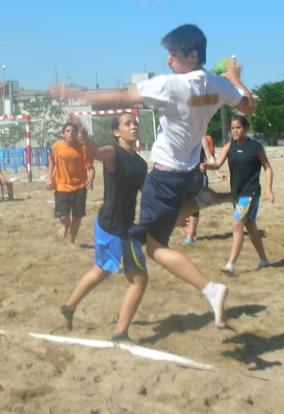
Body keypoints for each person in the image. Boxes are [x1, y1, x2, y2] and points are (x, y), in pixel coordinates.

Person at [53, 24, 256, 328]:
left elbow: (122, 97)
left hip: (164, 176)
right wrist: (236, 78)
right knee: (164, 224)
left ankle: (211, 290)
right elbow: (249, 107)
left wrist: (73, 93)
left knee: (155, 248)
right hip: (188, 174)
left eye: (174, 55)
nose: (169, 61)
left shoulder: (172, 86)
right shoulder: (219, 85)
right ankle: (200, 200)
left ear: (193, 55)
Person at [59, 113, 149, 343]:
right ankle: (120, 333)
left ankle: (69, 307)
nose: (133, 126)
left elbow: (149, 193)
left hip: (119, 225)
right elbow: (97, 154)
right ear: (117, 132)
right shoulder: (113, 152)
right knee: (139, 279)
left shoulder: (140, 163)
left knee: (102, 270)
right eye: (127, 124)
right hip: (114, 227)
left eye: (135, 123)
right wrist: (85, 134)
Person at [203, 115, 274, 274]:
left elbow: (267, 167)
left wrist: (269, 188)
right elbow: (217, 163)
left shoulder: (256, 147)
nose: (235, 131)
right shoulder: (229, 146)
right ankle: (263, 259)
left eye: (238, 127)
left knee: (237, 224)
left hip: (251, 192)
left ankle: (231, 264)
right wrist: (207, 166)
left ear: (246, 128)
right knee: (250, 226)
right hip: (236, 193)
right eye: (233, 128)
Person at [46, 122, 95, 248]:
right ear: (63, 134)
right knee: (64, 217)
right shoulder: (57, 147)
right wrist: (49, 178)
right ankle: (65, 225)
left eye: (73, 130)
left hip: (79, 187)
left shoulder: (83, 148)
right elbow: (52, 162)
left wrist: (90, 180)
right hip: (61, 186)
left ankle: (71, 242)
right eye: (68, 130)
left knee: (77, 217)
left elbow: (91, 168)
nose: (71, 132)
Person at [181, 135, 228, 245]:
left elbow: (210, 157)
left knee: (193, 205)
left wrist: (217, 173)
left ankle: (191, 234)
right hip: (183, 175)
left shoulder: (201, 138)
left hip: (198, 175)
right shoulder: (182, 135)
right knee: (183, 203)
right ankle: (191, 228)